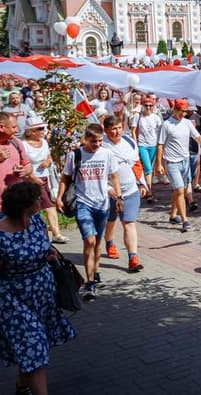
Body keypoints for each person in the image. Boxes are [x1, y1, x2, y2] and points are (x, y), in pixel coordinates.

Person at [0, 181, 76, 395]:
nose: (40, 200)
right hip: (13, 301)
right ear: (26, 205)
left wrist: (50, 256)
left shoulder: (37, 222)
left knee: (33, 348)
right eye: (37, 198)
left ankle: (22, 386)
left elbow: (43, 248)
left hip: (42, 295)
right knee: (34, 348)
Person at [59, 124, 122, 300]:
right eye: (93, 141)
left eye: (100, 141)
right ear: (86, 138)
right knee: (89, 240)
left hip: (102, 204)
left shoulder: (107, 154)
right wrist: (59, 197)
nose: (97, 144)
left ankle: (95, 270)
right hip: (83, 203)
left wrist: (119, 197)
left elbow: (114, 176)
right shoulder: (75, 155)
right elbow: (65, 177)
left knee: (98, 241)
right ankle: (90, 282)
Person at [153, 99, 201, 232]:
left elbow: (197, 137)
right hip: (171, 162)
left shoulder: (187, 123)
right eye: (181, 111)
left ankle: (173, 215)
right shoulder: (167, 124)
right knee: (180, 190)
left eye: (185, 112)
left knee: (178, 190)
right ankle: (185, 220)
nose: (183, 114)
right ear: (175, 109)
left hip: (185, 161)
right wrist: (159, 164)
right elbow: (160, 145)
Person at [102, 115, 148, 272]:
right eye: (113, 129)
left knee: (129, 223)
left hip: (130, 190)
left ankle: (133, 258)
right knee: (110, 221)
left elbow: (136, 163)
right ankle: (109, 242)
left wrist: (141, 182)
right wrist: (108, 189)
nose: (117, 131)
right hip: (110, 192)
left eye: (119, 128)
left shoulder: (129, 142)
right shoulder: (101, 145)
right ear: (106, 131)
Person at [20, 120, 66, 244]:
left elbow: (49, 156)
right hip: (30, 180)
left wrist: (48, 161)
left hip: (45, 178)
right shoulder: (23, 145)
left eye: (42, 128)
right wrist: (33, 177)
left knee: (49, 205)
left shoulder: (44, 142)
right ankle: (29, 232)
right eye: (39, 129)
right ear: (31, 131)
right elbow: (22, 163)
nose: (42, 131)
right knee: (33, 208)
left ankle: (56, 233)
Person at [133, 95, 163, 191]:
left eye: (150, 105)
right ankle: (149, 191)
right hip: (142, 145)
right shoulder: (138, 116)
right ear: (142, 105)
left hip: (153, 145)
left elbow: (160, 131)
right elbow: (133, 130)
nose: (148, 107)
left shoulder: (156, 117)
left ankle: (144, 186)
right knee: (148, 168)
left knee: (149, 168)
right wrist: (136, 144)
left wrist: (160, 144)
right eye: (146, 105)